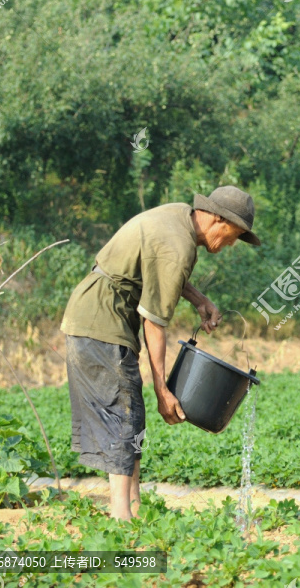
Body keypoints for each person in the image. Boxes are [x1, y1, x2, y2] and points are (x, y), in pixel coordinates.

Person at [60, 186, 260, 520]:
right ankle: (120, 514)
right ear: (217, 219)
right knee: (122, 412)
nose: (229, 245)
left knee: (131, 413)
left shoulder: (179, 218)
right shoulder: (178, 244)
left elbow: (163, 272)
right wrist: (162, 389)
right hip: (98, 318)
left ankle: (134, 507)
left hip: (102, 315)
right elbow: (154, 321)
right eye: (233, 235)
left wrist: (200, 300)